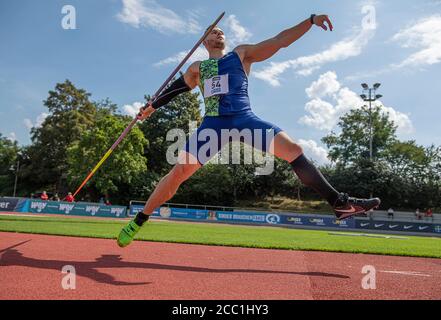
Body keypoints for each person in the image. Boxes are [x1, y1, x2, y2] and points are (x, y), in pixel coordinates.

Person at [117, 14, 381, 248]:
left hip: (244, 119)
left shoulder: (240, 54)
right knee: (179, 172)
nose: (219, 33)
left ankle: (339, 203)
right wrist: (152, 106)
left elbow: (279, 41)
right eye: (213, 32)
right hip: (214, 125)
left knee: (294, 151)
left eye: (221, 31)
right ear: (204, 41)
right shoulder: (197, 68)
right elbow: (176, 89)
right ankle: (139, 220)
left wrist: (310, 21)